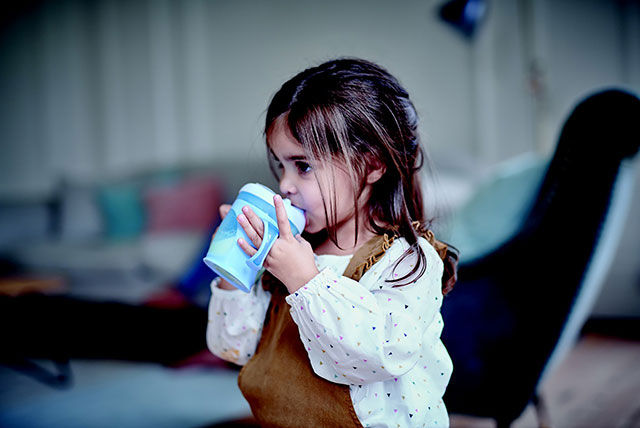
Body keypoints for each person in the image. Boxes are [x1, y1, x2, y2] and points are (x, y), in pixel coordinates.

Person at [206, 58, 458, 428]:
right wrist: (235, 268)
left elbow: (378, 357)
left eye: (303, 166)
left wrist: (306, 281)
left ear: (372, 165)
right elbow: (234, 349)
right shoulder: (290, 251)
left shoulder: (406, 260)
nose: (286, 184)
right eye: (281, 166)